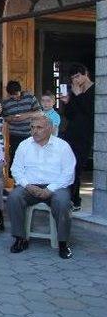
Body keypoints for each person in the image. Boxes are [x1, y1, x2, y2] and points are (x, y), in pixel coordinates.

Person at [7, 116, 75, 259]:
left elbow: (68, 173)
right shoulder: (24, 145)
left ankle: (63, 243)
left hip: (56, 186)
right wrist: (28, 186)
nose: (34, 131)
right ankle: (20, 238)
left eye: (39, 127)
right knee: (14, 197)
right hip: (30, 185)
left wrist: (49, 189)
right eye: (32, 127)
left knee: (63, 202)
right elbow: (16, 169)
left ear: (50, 129)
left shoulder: (62, 146)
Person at [60, 64, 94, 211]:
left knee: (77, 167)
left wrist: (79, 94)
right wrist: (68, 102)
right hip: (71, 133)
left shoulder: (95, 89)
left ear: (86, 73)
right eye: (73, 77)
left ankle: (76, 200)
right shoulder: (75, 91)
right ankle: (72, 199)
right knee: (68, 166)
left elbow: (90, 112)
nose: (76, 80)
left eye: (78, 76)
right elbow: (69, 115)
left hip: (85, 135)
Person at [1, 81, 41, 177]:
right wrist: (11, 118)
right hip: (14, 135)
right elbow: (3, 117)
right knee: (16, 158)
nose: (15, 97)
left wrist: (26, 116)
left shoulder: (30, 98)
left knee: (30, 159)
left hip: (30, 134)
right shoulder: (6, 103)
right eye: (12, 96)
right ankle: (14, 182)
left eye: (16, 94)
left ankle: (31, 180)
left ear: (20, 91)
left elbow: (39, 112)